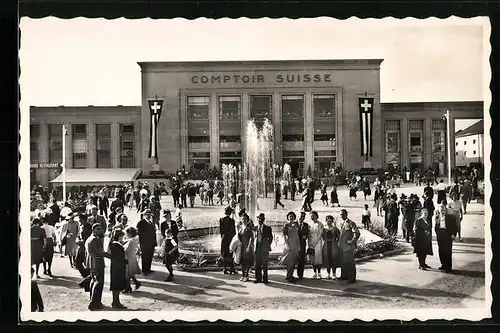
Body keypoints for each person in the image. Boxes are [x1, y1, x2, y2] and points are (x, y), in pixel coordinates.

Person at [85, 223, 111, 311]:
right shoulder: (95, 239)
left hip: (92, 263)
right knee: (98, 283)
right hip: (97, 263)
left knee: (94, 281)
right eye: (98, 229)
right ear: (93, 230)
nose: (100, 231)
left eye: (101, 229)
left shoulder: (90, 238)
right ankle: (94, 303)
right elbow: (100, 252)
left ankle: (94, 302)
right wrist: (112, 257)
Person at [434, 200, 458, 273]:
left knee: (447, 251)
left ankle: (448, 267)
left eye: (443, 209)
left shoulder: (450, 217)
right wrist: (437, 233)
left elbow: (455, 226)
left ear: (446, 209)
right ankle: (443, 265)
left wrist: (454, 234)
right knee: (441, 250)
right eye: (441, 209)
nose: (442, 210)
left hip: (448, 235)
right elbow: (435, 226)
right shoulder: (437, 217)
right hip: (440, 235)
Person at [107, 228, 127, 309]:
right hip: (118, 267)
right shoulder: (116, 245)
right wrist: (126, 261)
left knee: (116, 285)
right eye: (122, 236)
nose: (123, 237)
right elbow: (119, 257)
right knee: (116, 285)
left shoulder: (113, 244)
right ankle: (116, 302)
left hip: (115, 266)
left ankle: (115, 301)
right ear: (119, 236)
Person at [338, 209, 360, 283]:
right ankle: (344, 276)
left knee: (350, 262)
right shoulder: (341, 223)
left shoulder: (351, 223)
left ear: (346, 214)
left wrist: (352, 241)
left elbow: (357, 233)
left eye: (343, 214)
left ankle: (352, 278)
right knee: (343, 262)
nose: (341, 216)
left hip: (348, 246)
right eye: (340, 215)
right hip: (341, 246)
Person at [253, 213, 273, 284]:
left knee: (265, 264)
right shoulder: (254, 228)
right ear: (257, 219)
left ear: (264, 220)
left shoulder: (268, 228)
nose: (260, 220)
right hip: (257, 248)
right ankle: (257, 278)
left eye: (261, 219)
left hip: (264, 248)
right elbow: (253, 238)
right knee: (257, 264)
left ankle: (265, 279)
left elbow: (271, 238)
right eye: (259, 218)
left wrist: (267, 245)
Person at [137, 209, 157, 275]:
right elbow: (139, 234)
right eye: (147, 215)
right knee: (145, 257)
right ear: (144, 215)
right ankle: (144, 270)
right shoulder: (141, 223)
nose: (148, 216)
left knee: (150, 256)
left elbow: (153, 233)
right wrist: (140, 243)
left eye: (149, 215)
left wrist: (154, 243)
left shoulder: (151, 223)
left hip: (151, 243)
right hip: (144, 243)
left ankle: (148, 269)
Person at [282, 211, 300, 282]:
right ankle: (288, 276)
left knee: (293, 261)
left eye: (292, 216)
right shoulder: (286, 225)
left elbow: (297, 236)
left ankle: (291, 275)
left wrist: (298, 245)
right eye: (290, 216)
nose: (291, 218)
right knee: (289, 261)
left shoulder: (296, 225)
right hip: (289, 245)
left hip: (295, 245)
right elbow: (285, 236)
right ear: (288, 217)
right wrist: (287, 245)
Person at [322, 215, 340, 279]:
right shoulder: (324, 229)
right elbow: (322, 237)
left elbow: (339, 237)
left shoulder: (335, 229)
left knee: (334, 258)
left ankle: (334, 274)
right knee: (327, 259)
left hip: (333, 245)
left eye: (330, 221)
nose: (328, 222)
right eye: (327, 221)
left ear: (332, 221)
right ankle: (328, 274)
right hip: (326, 245)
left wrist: (336, 243)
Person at [123, 227, 141, 292]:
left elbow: (126, 250)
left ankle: (127, 287)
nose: (126, 235)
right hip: (132, 257)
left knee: (127, 274)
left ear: (130, 234)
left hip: (128, 257)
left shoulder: (131, 241)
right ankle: (136, 283)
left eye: (126, 234)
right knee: (130, 273)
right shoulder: (136, 238)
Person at [219, 206, 237, 274]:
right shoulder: (232, 221)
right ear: (230, 213)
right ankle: (231, 268)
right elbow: (234, 232)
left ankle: (225, 268)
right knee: (230, 253)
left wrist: (223, 237)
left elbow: (221, 231)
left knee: (224, 253)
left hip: (224, 238)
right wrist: (231, 237)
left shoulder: (221, 219)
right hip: (230, 239)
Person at [238, 214, 254, 282]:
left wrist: (248, 247)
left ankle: (246, 275)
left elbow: (251, 238)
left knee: (247, 261)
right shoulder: (240, 227)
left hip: (247, 246)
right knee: (242, 262)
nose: (243, 220)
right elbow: (238, 236)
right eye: (242, 219)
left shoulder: (249, 227)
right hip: (242, 246)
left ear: (247, 220)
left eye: (245, 219)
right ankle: (242, 275)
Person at [308, 211, 324, 279]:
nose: (312, 217)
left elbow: (320, 234)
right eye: (311, 216)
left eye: (313, 215)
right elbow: (309, 234)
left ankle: (319, 273)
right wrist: (309, 243)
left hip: (318, 243)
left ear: (316, 216)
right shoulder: (310, 224)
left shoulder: (320, 224)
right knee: (312, 258)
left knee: (318, 257)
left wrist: (315, 243)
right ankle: (314, 273)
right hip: (311, 243)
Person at [297, 211, 309, 280]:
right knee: (294, 259)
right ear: (298, 216)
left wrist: (306, 236)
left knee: (301, 260)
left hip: (302, 244)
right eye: (301, 216)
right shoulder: (294, 224)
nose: (301, 218)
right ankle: (290, 275)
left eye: (303, 217)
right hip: (295, 244)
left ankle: (300, 275)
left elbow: (307, 234)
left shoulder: (306, 225)